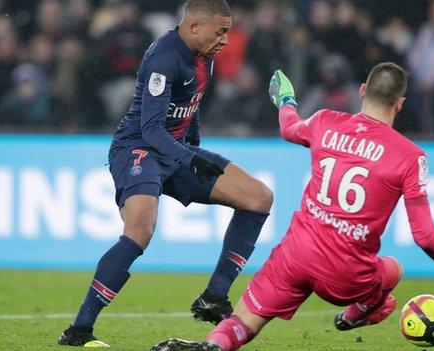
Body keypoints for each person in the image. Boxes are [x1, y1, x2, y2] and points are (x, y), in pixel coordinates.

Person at [150, 63, 434, 351]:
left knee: (242, 322)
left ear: (362, 91)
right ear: (400, 104)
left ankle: (212, 345)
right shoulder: (410, 157)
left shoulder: (325, 122)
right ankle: (352, 316)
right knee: (392, 269)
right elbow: (423, 235)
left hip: (296, 255)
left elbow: (290, 128)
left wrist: (286, 99)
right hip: (347, 275)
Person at [58, 0, 273, 347]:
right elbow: (151, 128)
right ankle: (79, 329)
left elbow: (192, 105)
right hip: (137, 148)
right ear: (193, 26)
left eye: (227, 32)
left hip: (175, 150)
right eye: (220, 32)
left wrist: (195, 148)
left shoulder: (205, 56)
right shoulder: (164, 57)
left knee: (259, 197)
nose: (226, 40)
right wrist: (190, 159)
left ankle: (214, 296)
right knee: (140, 229)